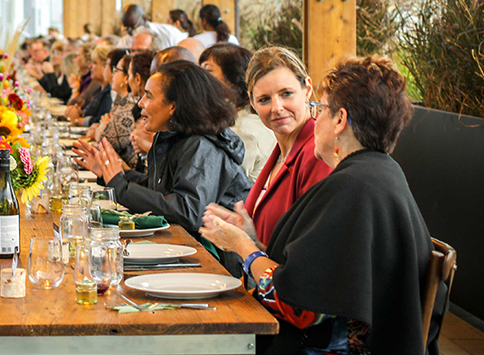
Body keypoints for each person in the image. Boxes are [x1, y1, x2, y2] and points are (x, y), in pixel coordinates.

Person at [200, 56, 435, 355]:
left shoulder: (353, 188)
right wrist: (251, 240)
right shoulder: (378, 174)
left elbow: (300, 308)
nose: (315, 119)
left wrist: (245, 249)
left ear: (340, 120)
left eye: (320, 109)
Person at [73, 61, 252, 234]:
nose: (140, 103)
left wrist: (120, 186)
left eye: (148, 96)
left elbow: (189, 212)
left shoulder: (203, 146)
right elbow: (160, 191)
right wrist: (114, 174)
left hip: (217, 251)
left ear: (173, 106)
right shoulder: (178, 137)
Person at [203, 47, 332, 248]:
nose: (276, 108)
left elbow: (310, 251)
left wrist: (245, 244)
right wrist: (248, 234)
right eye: (264, 99)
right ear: (252, 102)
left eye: (286, 94)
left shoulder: (318, 154)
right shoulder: (280, 152)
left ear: (307, 89)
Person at [200, 44, 277, 182]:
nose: (199, 78)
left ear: (232, 80)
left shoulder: (243, 130)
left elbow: (221, 183)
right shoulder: (230, 120)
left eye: (208, 71)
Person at [91, 50, 137, 167]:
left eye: (116, 71)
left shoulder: (129, 107)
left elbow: (103, 141)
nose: (112, 75)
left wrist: (101, 127)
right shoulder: (120, 101)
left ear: (126, 78)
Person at [66, 45, 114, 126]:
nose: (90, 66)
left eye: (95, 63)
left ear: (106, 66)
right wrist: (81, 113)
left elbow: (101, 121)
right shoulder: (97, 90)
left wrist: (78, 120)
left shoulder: (109, 93)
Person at [121, 3, 187, 50]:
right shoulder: (125, 41)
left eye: (133, 26)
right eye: (127, 29)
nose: (131, 31)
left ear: (144, 18)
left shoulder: (170, 33)